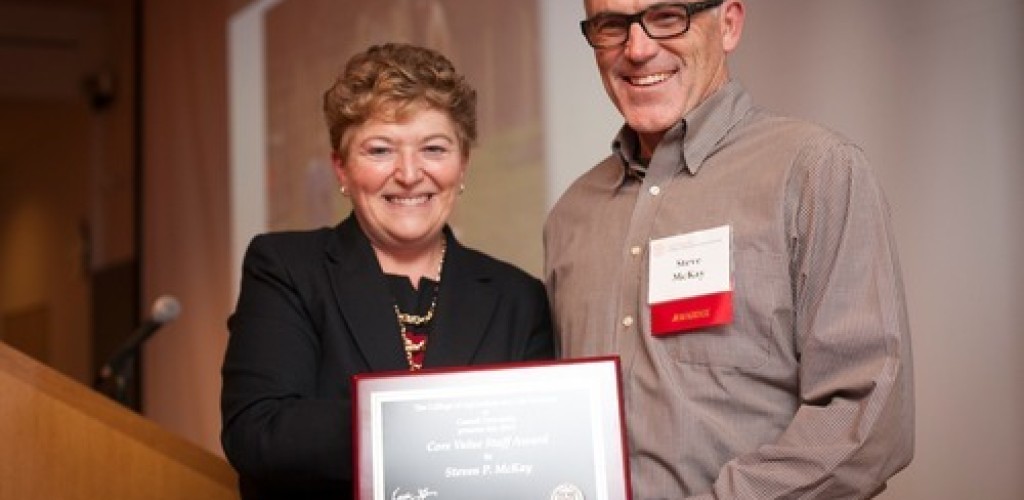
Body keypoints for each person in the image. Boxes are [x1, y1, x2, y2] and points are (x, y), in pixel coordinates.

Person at [544, 1, 913, 498]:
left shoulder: (814, 172)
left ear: (730, 24)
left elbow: (865, 419)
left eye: (668, 16)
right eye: (612, 26)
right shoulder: (571, 215)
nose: (637, 49)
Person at [221, 42, 555, 499]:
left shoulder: (519, 298)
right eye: (380, 150)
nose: (409, 173)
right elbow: (259, 433)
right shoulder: (287, 268)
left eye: (434, 149)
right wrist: (444, 427)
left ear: (463, 166)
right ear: (341, 168)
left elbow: (539, 456)